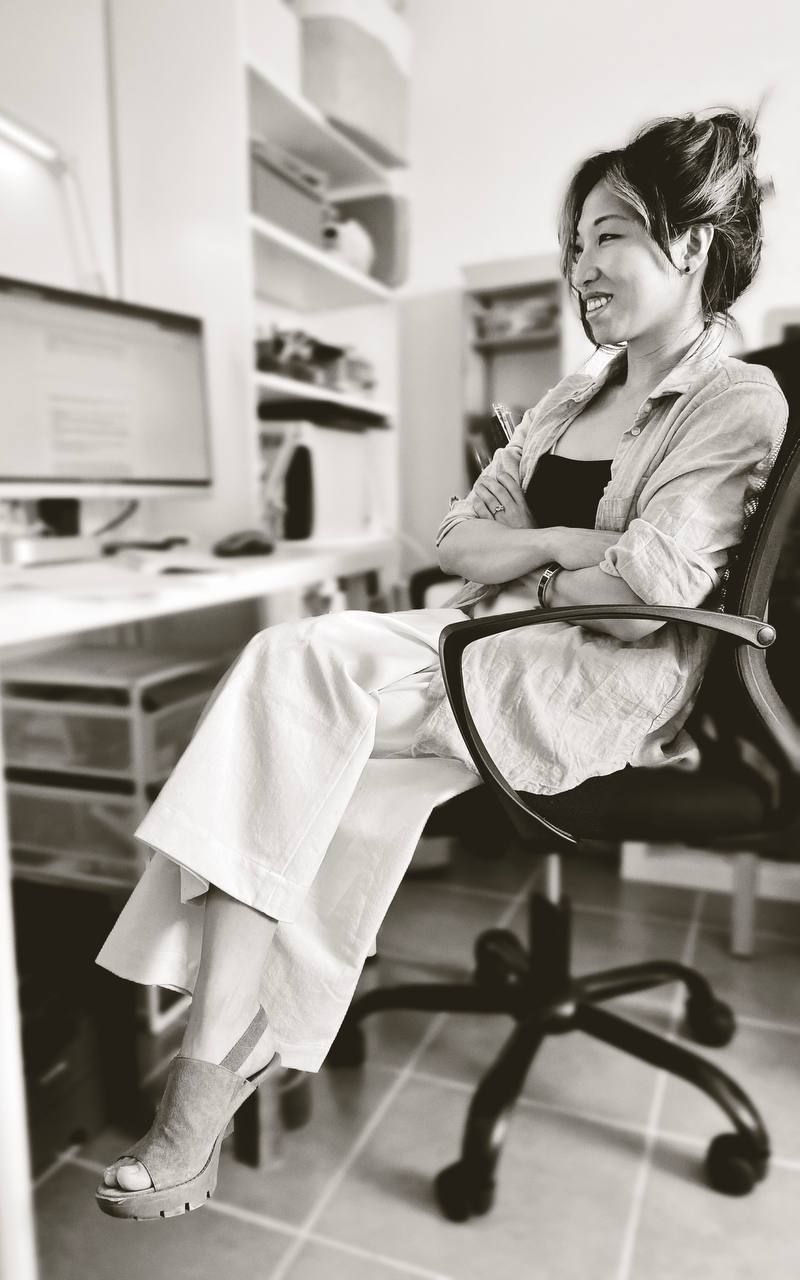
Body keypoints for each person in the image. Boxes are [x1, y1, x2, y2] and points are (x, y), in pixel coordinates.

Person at [95, 107, 787, 1219]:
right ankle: (230, 1053)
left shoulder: (735, 398)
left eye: (610, 236)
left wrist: (545, 563)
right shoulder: (570, 395)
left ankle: (210, 1068)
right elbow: (458, 537)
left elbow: (639, 605)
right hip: (477, 632)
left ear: (692, 244)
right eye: (575, 243)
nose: (582, 266)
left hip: (592, 678)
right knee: (286, 682)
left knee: (295, 722)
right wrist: (568, 545)